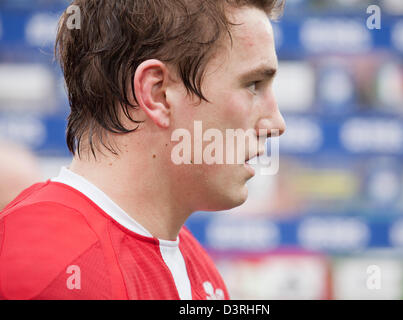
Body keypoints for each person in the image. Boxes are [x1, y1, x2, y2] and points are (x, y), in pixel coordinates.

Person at [0, 0, 286, 300]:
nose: (276, 123)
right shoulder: (45, 271)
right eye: (253, 85)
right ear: (158, 94)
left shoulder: (199, 270)